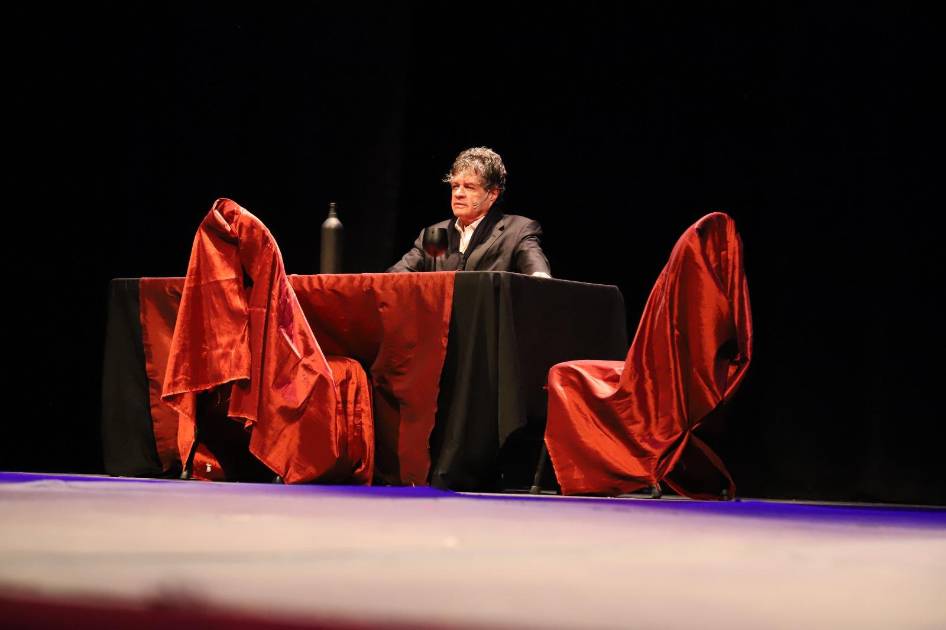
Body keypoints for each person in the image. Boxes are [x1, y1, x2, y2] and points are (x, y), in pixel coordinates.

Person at [387, 147, 551, 276]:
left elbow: (538, 276)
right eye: (455, 186)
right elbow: (392, 278)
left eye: (469, 187)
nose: (458, 194)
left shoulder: (518, 231)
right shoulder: (433, 234)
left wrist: (540, 276)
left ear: (492, 194)